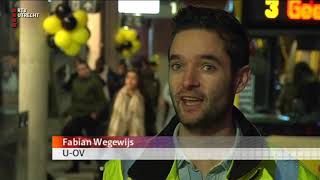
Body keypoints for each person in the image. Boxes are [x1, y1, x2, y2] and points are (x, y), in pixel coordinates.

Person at [103, 6, 318, 179]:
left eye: (207, 67)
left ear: (240, 80)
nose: (187, 81)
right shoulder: (124, 171)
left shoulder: (289, 174)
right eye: (177, 65)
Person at [62, 59, 107, 173]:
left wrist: (95, 112)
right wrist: (70, 114)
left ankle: (100, 166)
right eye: (79, 70)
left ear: (88, 69)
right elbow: (74, 101)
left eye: (83, 69)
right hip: (77, 114)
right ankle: (76, 164)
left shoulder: (94, 81)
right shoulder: (76, 82)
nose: (81, 72)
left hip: (90, 114)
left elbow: (102, 101)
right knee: (68, 133)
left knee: (94, 139)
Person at [108, 69, 145, 136]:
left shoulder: (141, 97)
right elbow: (112, 115)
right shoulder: (118, 95)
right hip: (117, 132)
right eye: (128, 77)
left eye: (133, 78)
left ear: (138, 81)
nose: (130, 81)